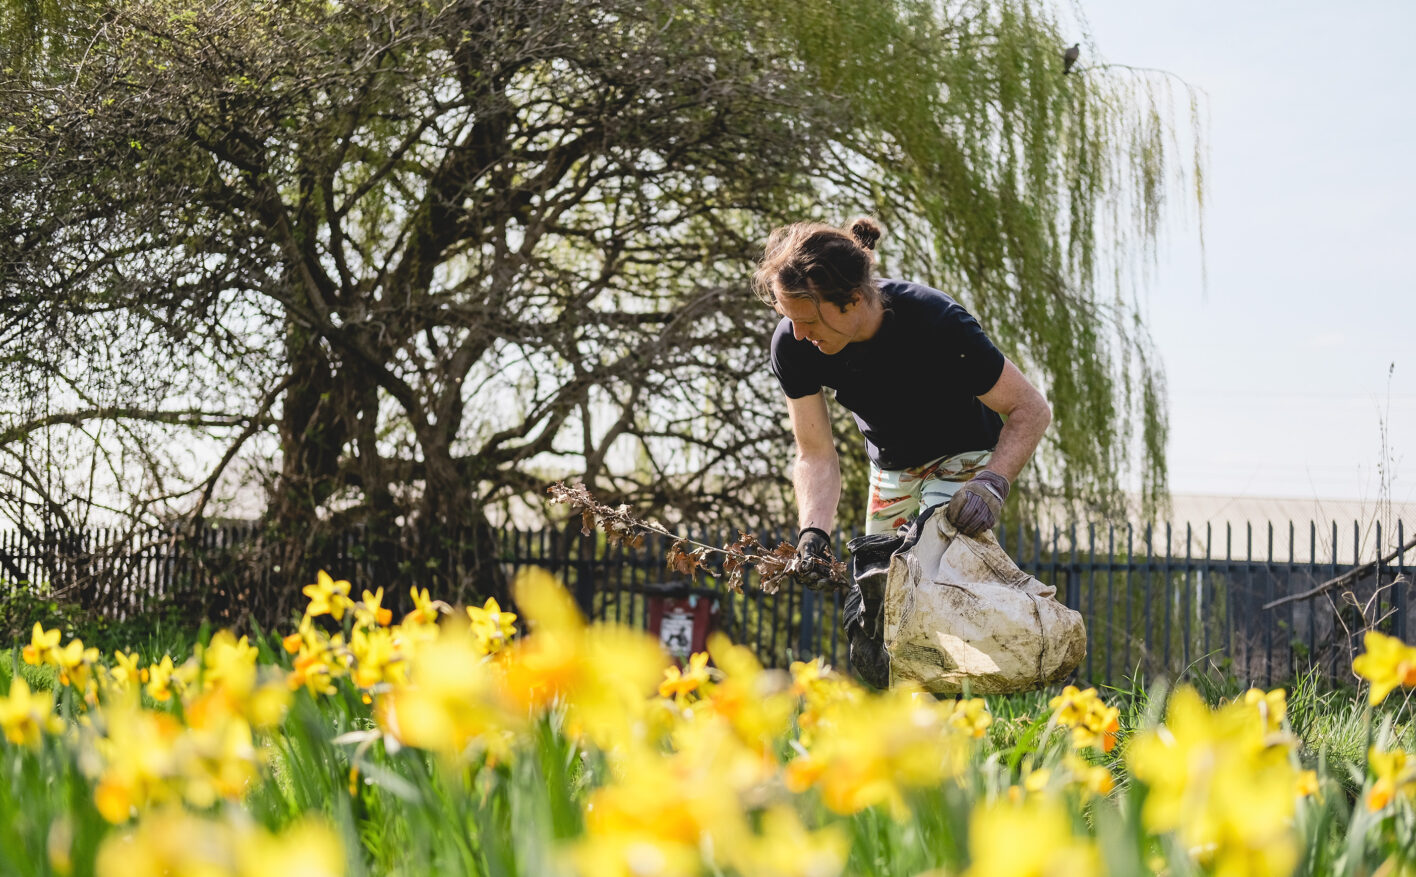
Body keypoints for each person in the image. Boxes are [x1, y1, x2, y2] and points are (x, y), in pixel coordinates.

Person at [753, 216, 1052, 579]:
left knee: (932, 581)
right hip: (890, 470)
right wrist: (813, 532)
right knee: (880, 592)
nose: (798, 333)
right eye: (790, 318)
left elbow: (1030, 409)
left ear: (854, 300)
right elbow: (814, 452)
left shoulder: (937, 321)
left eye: (809, 322)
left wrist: (993, 483)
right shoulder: (793, 344)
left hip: (962, 456)